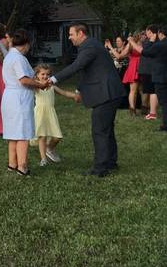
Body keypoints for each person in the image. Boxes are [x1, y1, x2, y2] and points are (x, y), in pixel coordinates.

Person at [49, 23, 125, 177]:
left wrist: (52, 79)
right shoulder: (91, 46)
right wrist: (79, 89)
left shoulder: (89, 46)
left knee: (100, 131)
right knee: (106, 130)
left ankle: (100, 168)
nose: (69, 38)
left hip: (107, 93)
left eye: (71, 34)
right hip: (110, 92)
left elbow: (76, 66)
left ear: (81, 33)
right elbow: (88, 70)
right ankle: (110, 162)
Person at [1, 30, 46, 176]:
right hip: (19, 98)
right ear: (26, 44)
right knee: (22, 133)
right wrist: (40, 85)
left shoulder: (9, 56)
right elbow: (24, 80)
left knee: (12, 133)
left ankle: (12, 164)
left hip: (9, 96)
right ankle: (22, 166)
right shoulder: (19, 58)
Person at [31, 64, 79, 167]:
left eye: (47, 74)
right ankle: (43, 159)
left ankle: (49, 148)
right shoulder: (36, 86)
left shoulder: (51, 86)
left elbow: (64, 93)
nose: (45, 76)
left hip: (50, 113)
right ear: (37, 75)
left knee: (57, 136)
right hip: (40, 113)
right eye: (42, 74)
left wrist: (74, 95)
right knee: (42, 136)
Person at [141, 24, 167, 132]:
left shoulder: (160, 45)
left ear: (161, 33)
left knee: (165, 102)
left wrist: (151, 41)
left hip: (161, 76)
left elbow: (145, 52)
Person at [108, 34, 140, 114]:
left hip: (125, 70)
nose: (117, 42)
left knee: (131, 89)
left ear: (124, 42)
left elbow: (119, 57)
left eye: (119, 41)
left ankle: (132, 105)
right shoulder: (115, 49)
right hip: (118, 71)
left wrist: (110, 47)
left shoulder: (128, 48)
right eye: (116, 41)